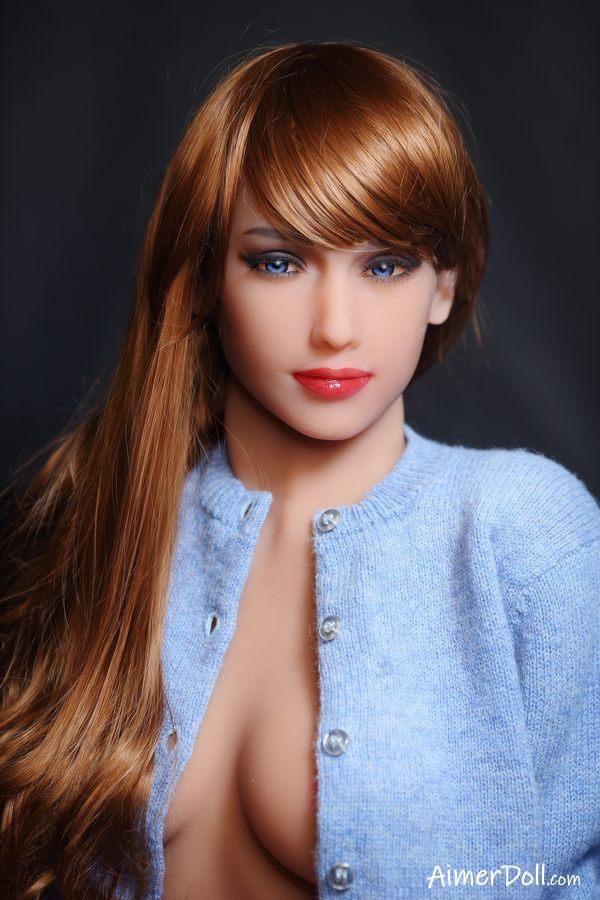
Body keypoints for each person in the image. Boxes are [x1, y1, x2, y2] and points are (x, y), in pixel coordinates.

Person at [1, 40, 598, 900]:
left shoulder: (524, 532)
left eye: (385, 264)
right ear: (205, 276)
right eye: (278, 261)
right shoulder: (101, 522)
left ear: (443, 286)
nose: (335, 326)